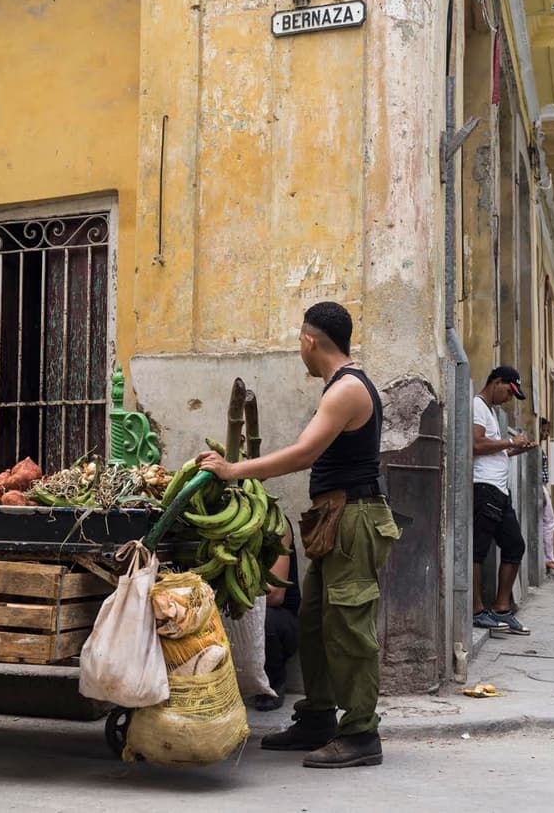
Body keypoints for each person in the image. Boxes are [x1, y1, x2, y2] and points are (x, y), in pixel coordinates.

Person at [198, 301, 399, 769]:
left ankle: (362, 734)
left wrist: (234, 470)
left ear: (310, 340)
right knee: (315, 626)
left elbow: (304, 453)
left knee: (349, 628)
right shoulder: (340, 385)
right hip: (335, 521)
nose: (300, 352)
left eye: (299, 343)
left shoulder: (347, 389)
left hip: (354, 519)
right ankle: (318, 718)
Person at [471, 366, 537, 634]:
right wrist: (510, 441)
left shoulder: (490, 412)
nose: (509, 399)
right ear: (497, 382)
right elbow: (475, 445)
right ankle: (477, 610)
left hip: (500, 490)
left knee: (514, 546)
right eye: (509, 393)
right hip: (484, 487)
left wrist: (516, 449)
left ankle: (501, 608)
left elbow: (491, 451)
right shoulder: (477, 405)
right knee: (477, 550)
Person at [257, 529, 299, 711]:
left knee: (265, 620)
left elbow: (275, 595)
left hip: (279, 618)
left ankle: (272, 681)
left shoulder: (277, 525)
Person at [538, 417, 554, 576]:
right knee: (549, 522)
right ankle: (549, 557)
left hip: (542, 485)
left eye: (548, 431)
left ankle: (548, 556)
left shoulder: (539, 448)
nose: (546, 435)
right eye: (544, 430)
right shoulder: (536, 449)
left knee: (547, 521)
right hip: (540, 486)